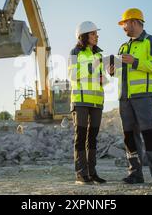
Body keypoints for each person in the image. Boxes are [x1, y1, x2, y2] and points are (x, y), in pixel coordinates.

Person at [109, 8, 152, 186]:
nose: (123, 27)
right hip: (124, 98)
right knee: (129, 136)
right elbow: (121, 71)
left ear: (134, 22)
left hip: (143, 96)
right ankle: (135, 173)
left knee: (149, 133)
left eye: (124, 23)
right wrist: (113, 70)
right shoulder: (123, 46)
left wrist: (134, 61)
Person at [68, 21, 108, 185]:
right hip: (81, 101)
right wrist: (93, 70)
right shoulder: (75, 52)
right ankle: (81, 174)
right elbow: (73, 75)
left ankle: (92, 173)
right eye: (93, 34)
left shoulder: (99, 55)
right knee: (81, 137)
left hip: (97, 102)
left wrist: (104, 76)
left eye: (96, 33)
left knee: (93, 138)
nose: (96, 36)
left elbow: (103, 79)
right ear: (83, 36)